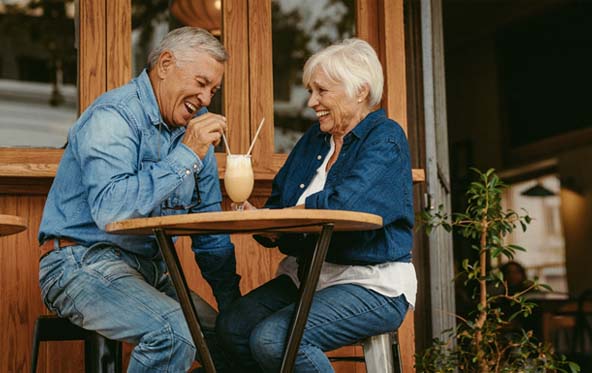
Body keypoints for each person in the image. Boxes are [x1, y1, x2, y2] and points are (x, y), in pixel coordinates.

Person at [38, 27, 240, 372]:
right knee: (174, 333)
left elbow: (209, 229)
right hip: (77, 263)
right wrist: (186, 154)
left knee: (232, 344)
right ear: (165, 64)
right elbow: (112, 210)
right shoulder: (113, 116)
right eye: (201, 83)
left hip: (150, 272)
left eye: (213, 90)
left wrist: (233, 309)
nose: (206, 99)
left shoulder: (196, 130)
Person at [216, 38, 416, 372]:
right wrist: (265, 223)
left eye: (322, 91)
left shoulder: (386, 138)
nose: (311, 102)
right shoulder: (314, 140)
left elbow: (345, 205)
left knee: (272, 339)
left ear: (360, 90)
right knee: (232, 328)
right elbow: (280, 202)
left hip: (371, 282)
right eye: (311, 91)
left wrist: (282, 217)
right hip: (307, 277)